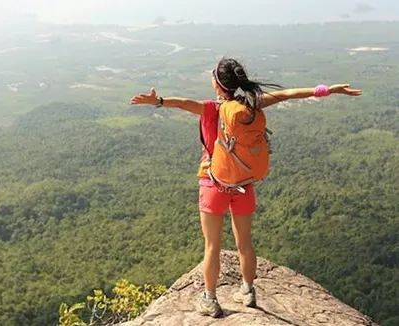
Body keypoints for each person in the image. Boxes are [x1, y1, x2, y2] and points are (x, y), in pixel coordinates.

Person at [129, 57, 361, 318]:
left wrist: (157, 101)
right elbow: (289, 94)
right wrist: (327, 89)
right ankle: (248, 291)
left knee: (212, 246)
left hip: (213, 184)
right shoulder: (252, 105)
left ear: (217, 84)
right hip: (244, 185)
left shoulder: (211, 108)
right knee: (245, 244)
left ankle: (209, 299)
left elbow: (182, 103)